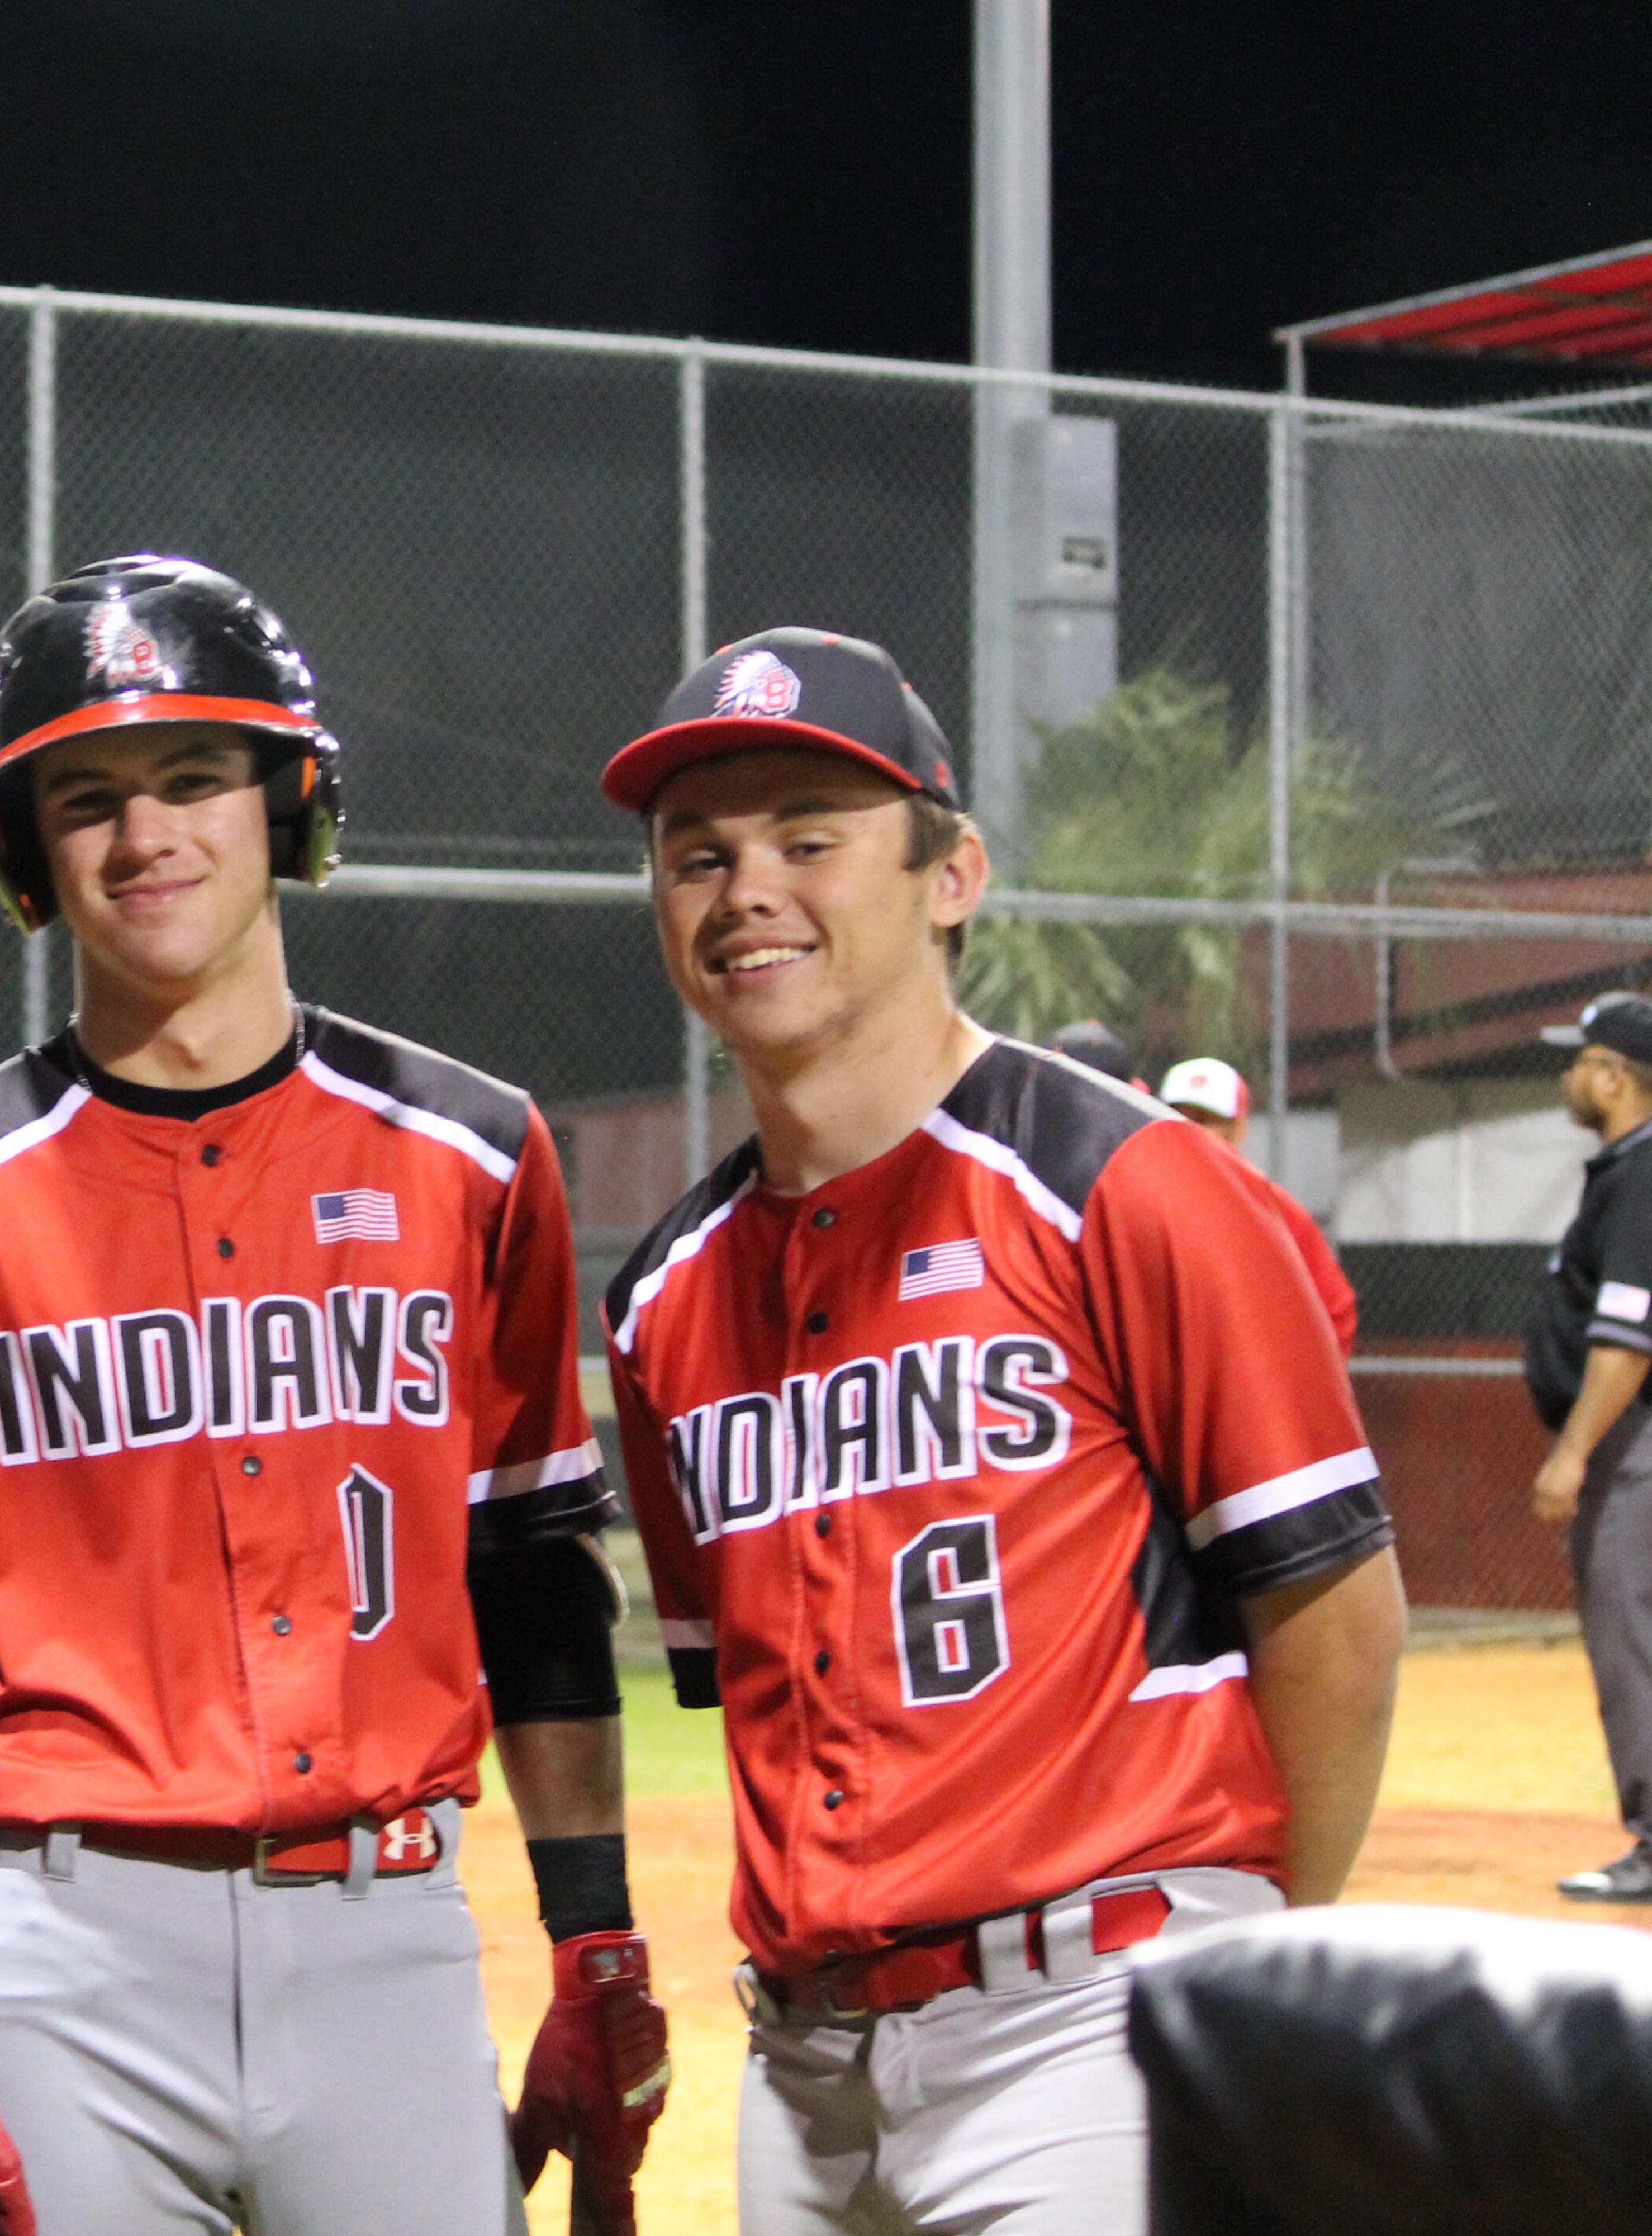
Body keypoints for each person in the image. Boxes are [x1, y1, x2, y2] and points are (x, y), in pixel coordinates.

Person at [0, 556, 668, 2236]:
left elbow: (532, 1565)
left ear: (287, 804)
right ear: (24, 851)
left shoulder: (472, 1153)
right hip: (66, 1943)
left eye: (192, 778)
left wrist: (589, 1932)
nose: (144, 834)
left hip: (384, 1931)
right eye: (85, 797)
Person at [596, 626, 1406, 2235]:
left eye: (809, 839)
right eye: (701, 855)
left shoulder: (1131, 1189)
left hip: (1101, 2015)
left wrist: (1245, 1963)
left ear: (952, 875)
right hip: (806, 2058)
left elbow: (1336, 1617)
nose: (747, 887)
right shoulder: (662, 1303)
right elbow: (744, 1695)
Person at [1522, 991, 1652, 1904]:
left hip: (1634, 1443)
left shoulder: (1642, 1177)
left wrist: (1573, 1453)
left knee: (1630, 1639)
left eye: (1579, 1061)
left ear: (1612, 1077)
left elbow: (1625, 1342)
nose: (1569, 1074)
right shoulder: (1624, 1171)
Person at [1155, 1057, 1357, 1353]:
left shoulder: (1271, 1209)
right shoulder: (1135, 1203)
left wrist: (1290, 1388)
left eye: (1205, 1119)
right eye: (1176, 1116)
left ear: (1238, 1130)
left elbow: (1334, 1309)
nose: (1189, 1129)